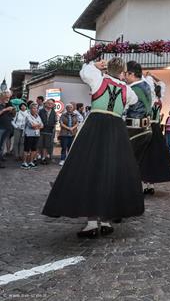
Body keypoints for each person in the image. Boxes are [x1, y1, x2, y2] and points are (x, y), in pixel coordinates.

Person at [42, 58, 144, 238]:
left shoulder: (99, 79)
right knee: (112, 172)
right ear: (122, 72)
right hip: (116, 129)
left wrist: (95, 66)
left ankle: (91, 224)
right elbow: (132, 101)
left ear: (108, 69)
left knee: (89, 170)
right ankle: (105, 220)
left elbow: (84, 72)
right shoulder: (126, 89)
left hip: (96, 126)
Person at [140, 72, 170, 194]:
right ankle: (151, 185)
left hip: (147, 127)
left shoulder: (149, 98)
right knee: (155, 156)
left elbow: (147, 84)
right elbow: (162, 83)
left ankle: (145, 184)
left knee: (145, 155)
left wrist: (147, 76)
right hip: (156, 128)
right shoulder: (160, 98)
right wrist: (153, 76)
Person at [124, 61, 154, 194]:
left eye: (126, 74)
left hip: (133, 129)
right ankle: (138, 187)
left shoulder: (131, 89)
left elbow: (123, 108)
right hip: (146, 129)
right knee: (139, 161)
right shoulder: (146, 85)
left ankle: (131, 190)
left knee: (129, 161)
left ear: (131, 74)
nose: (124, 76)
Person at [22, 103, 43, 169]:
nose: (35, 109)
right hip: (29, 135)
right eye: (34, 108)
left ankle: (31, 162)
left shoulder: (38, 116)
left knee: (34, 149)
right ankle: (24, 163)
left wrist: (37, 125)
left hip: (36, 135)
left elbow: (42, 125)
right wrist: (38, 125)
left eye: (36, 108)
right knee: (27, 149)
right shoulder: (28, 116)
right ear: (30, 109)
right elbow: (32, 125)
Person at [38, 99, 57, 164]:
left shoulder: (53, 112)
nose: (49, 104)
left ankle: (44, 158)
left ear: (53, 105)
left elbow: (55, 121)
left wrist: (53, 126)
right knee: (40, 144)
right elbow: (38, 119)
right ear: (45, 104)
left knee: (46, 145)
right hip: (41, 130)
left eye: (51, 103)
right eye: (48, 103)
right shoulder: (41, 111)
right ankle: (39, 156)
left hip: (49, 131)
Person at [0, 92, 15, 167]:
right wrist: (5, 109)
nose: (8, 99)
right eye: (6, 98)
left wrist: (12, 111)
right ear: (1, 97)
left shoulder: (5, 105)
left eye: (9, 98)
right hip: (1, 128)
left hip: (6, 127)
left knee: (2, 145)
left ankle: (1, 157)